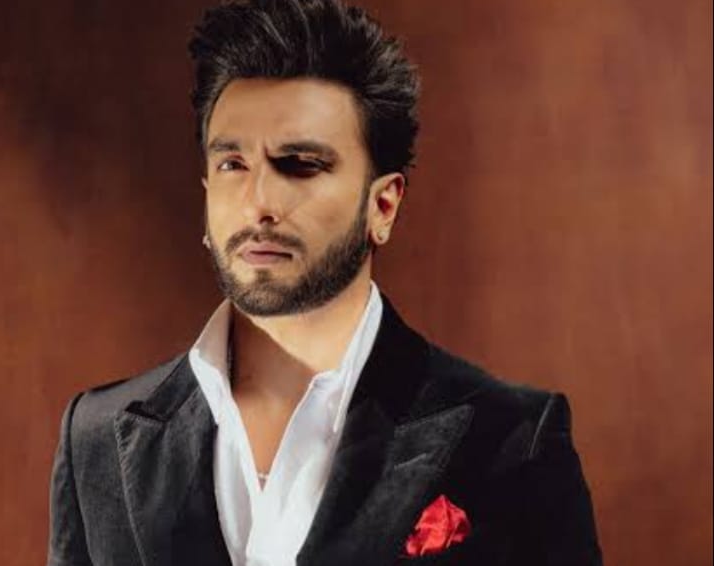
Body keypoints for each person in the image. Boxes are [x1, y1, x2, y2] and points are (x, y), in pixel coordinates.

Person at [46, 1, 603, 565]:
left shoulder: (513, 439)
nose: (258, 203)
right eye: (232, 164)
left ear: (382, 206)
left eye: (300, 164)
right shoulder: (95, 436)